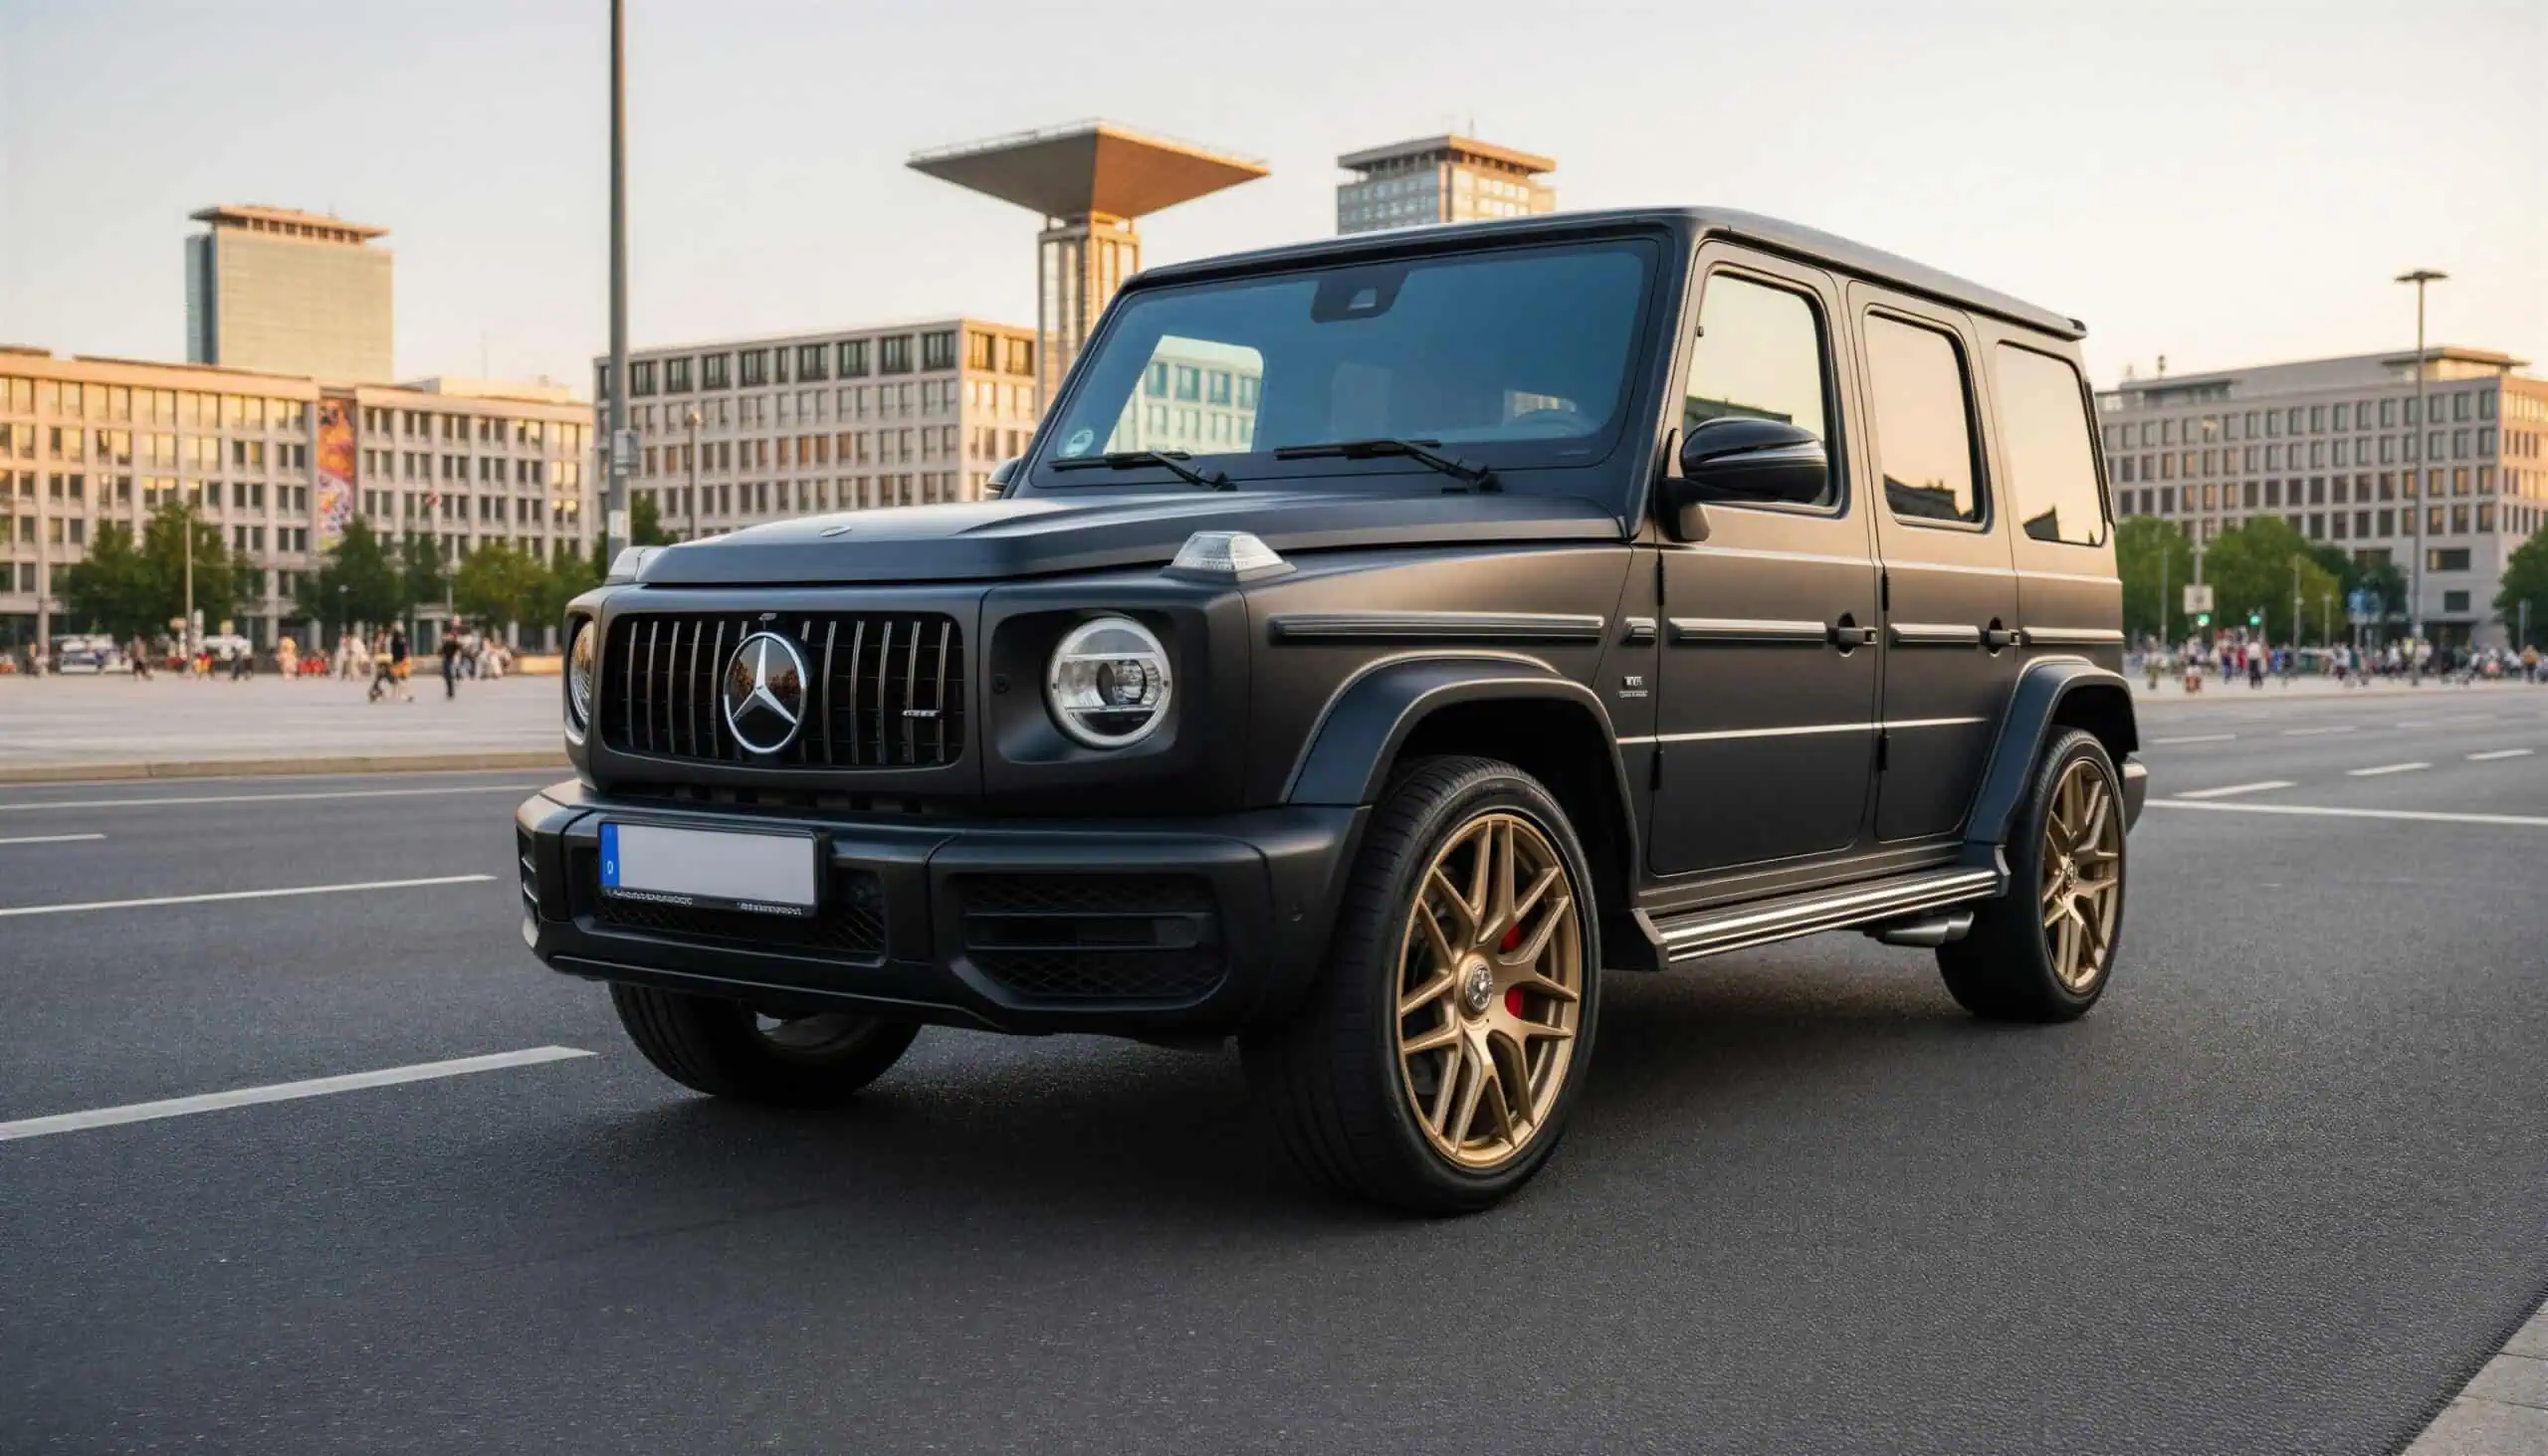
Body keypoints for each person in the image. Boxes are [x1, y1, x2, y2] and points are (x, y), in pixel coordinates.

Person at [439, 625, 463, 700]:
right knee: (446, 676)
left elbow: (460, 647)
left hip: (450, 660)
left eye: (450, 636)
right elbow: (440, 651)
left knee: (449, 677)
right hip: (446, 660)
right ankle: (449, 691)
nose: (449, 637)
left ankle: (451, 692)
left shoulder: (454, 643)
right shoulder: (446, 643)